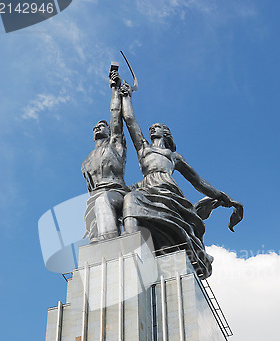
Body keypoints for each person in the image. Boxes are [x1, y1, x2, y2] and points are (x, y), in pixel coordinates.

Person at [120, 81, 243, 279]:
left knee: (174, 233)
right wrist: (125, 96)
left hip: (168, 192)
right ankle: (128, 249)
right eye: (151, 127)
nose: (152, 129)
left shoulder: (173, 156)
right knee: (130, 201)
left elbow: (198, 182)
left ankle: (174, 256)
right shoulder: (143, 148)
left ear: (166, 134)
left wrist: (221, 196)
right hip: (147, 189)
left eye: (157, 127)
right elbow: (130, 120)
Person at [81, 70, 128, 241]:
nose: (98, 128)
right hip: (94, 201)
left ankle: (113, 249)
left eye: (102, 126)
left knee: (103, 202)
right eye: (95, 127)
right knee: (93, 239)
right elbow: (89, 188)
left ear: (109, 131)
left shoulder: (115, 145)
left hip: (116, 193)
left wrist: (115, 89)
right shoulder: (85, 162)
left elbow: (115, 114)